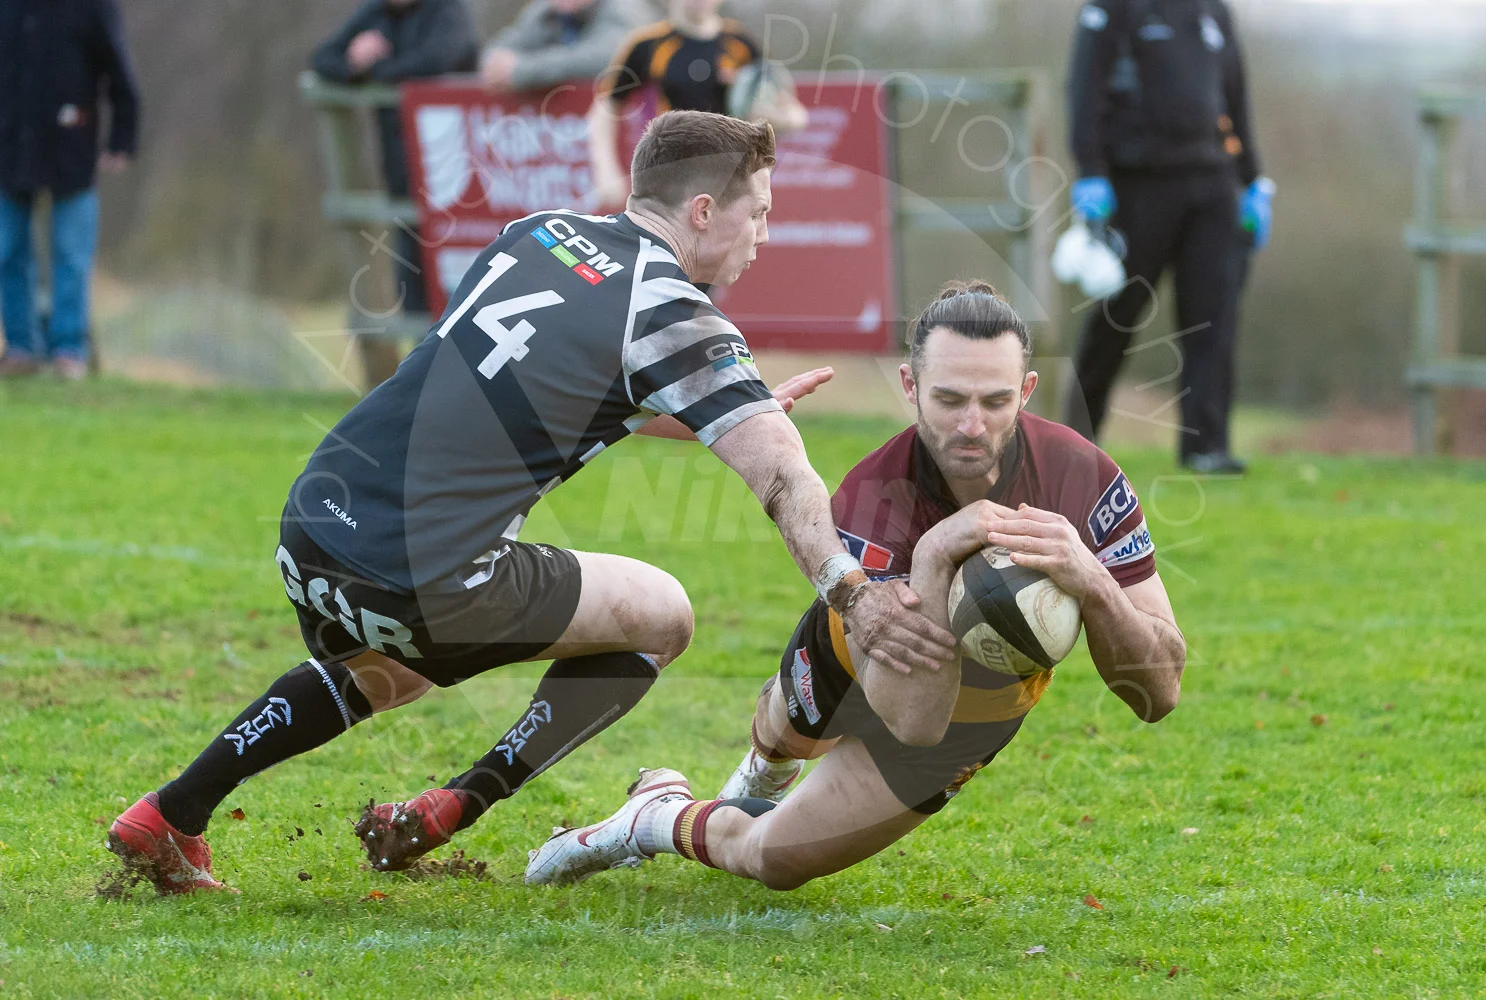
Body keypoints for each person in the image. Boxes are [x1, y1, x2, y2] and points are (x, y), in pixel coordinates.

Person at [105, 111, 955, 895]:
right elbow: (783, 480)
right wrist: (853, 592)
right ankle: (462, 802)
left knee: (392, 662)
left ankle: (172, 812)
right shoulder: (675, 313)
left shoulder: (539, 232)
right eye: (758, 212)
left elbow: (527, 380)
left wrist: (720, 412)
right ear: (703, 211)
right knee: (663, 616)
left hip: (315, 526)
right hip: (425, 576)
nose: (763, 235)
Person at [525, 282, 1186, 890]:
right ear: (910, 385)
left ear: (1028, 390)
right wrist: (935, 554)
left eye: (995, 401)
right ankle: (765, 768)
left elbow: (1157, 695)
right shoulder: (870, 500)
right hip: (856, 654)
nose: (971, 425)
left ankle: (652, 816)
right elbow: (905, 705)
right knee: (782, 728)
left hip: (966, 721)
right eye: (949, 399)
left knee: (770, 861)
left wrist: (1092, 582)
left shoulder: (1086, 481)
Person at [1060, 0, 1275, 475]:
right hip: (1138, 182)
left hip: (1213, 182)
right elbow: (1085, 88)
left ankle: (1206, 447)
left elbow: (1234, 96)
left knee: (1213, 317)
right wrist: (1090, 169)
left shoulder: (1213, 11)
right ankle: (1074, 439)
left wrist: (1253, 180)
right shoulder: (1111, 9)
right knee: (1118, 314)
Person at [311, 0, 479, 386]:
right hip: (403, 175)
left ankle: (461, 382)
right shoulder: (377, 12)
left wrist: (373, 70)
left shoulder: (448, 11)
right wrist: (354, 65)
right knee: (412, 281)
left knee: (457, 284)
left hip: (460, 181)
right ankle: (422, 382)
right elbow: (323, 59)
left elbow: (435, 61)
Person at [0, 0, 138, 380]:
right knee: (7, 251)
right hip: (10, 150)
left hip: (71, 151)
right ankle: (21, 348)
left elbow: (118, 71)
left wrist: (122, 139)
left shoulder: (91, 6)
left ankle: (69, 352)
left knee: (72, 256)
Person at [588, 0, 807, 210]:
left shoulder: (743, 42)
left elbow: (795, 114)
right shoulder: (646, 44)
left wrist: (768, 115)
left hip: (730, 176)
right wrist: (605, 168)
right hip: (669, 172)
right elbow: (605, 108)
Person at [479, 0, 656, 94]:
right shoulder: (547, 9)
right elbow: (501, 48)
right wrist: (494, 65)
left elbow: (607, 57)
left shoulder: (624, 7)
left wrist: (522, 71)